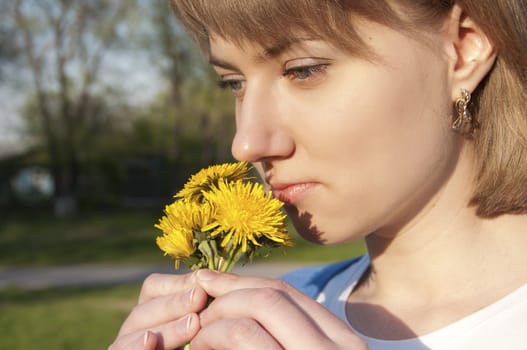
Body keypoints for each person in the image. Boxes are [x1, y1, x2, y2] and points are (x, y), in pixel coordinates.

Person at [110, 0, 527, 349]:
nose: (247, 144)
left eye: (304, 70)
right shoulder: (267, 320)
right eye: (234, 83)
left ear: (462, 48)